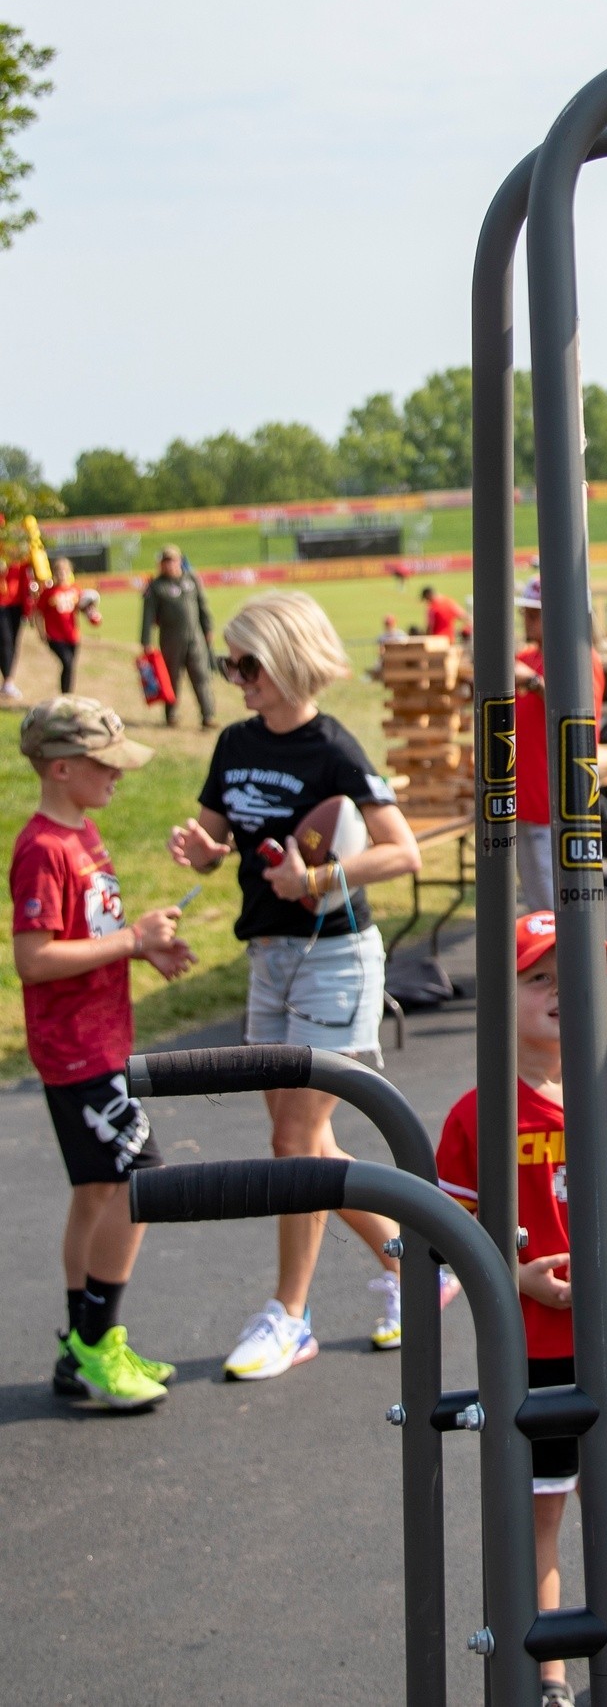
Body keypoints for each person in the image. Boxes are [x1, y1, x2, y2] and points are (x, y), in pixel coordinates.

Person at [435, 912, 607, 1707]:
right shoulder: (477, 1114)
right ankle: (547, 1673)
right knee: (542, 1506)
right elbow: (455, 1230)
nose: (560, 992)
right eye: (537, 977)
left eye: (575, 976)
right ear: (501, 997)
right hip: (531, 1346)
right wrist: (519, 1278)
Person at [169, 592, 429, 1377]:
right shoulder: (234, 741)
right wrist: (202, 850)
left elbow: (401, 852)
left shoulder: (335, 749)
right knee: (304, 1141)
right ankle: (416, 1268)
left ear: (287, 660)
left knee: (292, 1141)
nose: (236, 677)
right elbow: (222, 835)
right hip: (268, 958)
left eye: (247, 663)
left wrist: (318, 875)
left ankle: (291, 1315)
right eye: (229, 663)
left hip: (334, 955)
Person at [12, 697, 195, 1409]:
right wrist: (130, 940)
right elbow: (33, 960)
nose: (118, 776)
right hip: (76, 1052)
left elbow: (93, 934)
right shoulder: (43, 849)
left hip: (104, 1039)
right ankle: (96, 1344)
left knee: (96, 1190)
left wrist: (144, 950)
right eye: (104, 764)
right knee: (138, 1180)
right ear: (61, 769)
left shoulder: (85, 835)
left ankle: (81, 1344)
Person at [514, 577, 605, 916]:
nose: (527, 620)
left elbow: (579, 715)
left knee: (557, 908)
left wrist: (534, 683)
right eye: (526, 613)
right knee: (539, 903)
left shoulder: (579, 658)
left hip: (554, 799)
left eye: (535, 614)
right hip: (527, 796)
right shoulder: (530, 655)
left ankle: (562, 969)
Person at [139, 545, 218, 729]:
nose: (170, 565)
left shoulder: (191, 579)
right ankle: (171, 715)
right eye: (166, 561)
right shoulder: (156, 586)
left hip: (195, 637)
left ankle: (208, 715)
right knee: (171, 678)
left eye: (173, 560)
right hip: (170, 639)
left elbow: (202, 605)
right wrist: (146, 641)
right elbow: (148, 615)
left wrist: (208, 628)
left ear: (180, 561)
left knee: (201, 676)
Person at [35, 557, 102, 695]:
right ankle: (65, 695)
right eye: (59, 572)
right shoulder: (48, 592)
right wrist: (41, 632)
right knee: (67, 662)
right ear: (54, 573)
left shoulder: (75, 590)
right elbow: (38, 613)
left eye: (64, 571)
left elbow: (83, 608)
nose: (62, 575)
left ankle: (69, 694)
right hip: (55, 636)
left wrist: (93, 614)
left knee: (71, 666)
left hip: (72, 635)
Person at [0, 538, 29, 700]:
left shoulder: (20, 552)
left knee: (12, 642)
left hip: (16, 605)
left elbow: (25, 578)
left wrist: (27, 607)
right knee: (4, 641)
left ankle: (8, 682)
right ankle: (7, 682)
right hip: (1, 603)